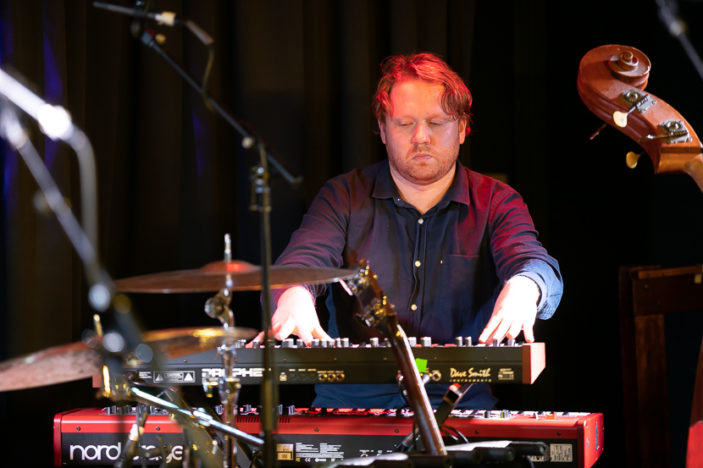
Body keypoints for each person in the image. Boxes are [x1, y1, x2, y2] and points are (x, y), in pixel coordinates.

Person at [254, 52, 563, 409]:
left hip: (459, 409)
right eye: (404, 123)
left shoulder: (496, 201)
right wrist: (293, 293)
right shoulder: (343, 196)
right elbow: (301, 261)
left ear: (462, 128)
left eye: (436, 122)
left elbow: (533, 262)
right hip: (350, 409)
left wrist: (525, 287)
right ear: (383, 129)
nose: (420, 137)